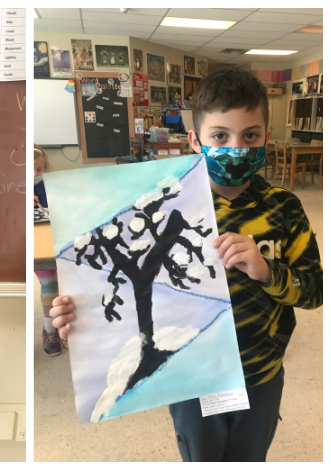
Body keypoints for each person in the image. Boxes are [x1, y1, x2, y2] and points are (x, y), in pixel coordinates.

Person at [49, 68, 322, 461]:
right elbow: (122, 283)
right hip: (191, 377)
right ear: (195, 140)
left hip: (260, 373)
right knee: (202, 456)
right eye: (220, 136)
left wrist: (268, 272)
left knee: (250, 457)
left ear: (266, 135)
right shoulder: (164, 208)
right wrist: (80, 312)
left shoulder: (285, 209)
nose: (237, 147)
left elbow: (315, 291)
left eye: (250, 135)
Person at [32, 145, 60, 356]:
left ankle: (64, 323)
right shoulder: (17, 187)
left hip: (55, 237)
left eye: (39, 169)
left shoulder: (49, 186)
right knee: (49, 283)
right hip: (35, 244)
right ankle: (49, 329)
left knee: (69, 279)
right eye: (31, 170)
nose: (35, 174)